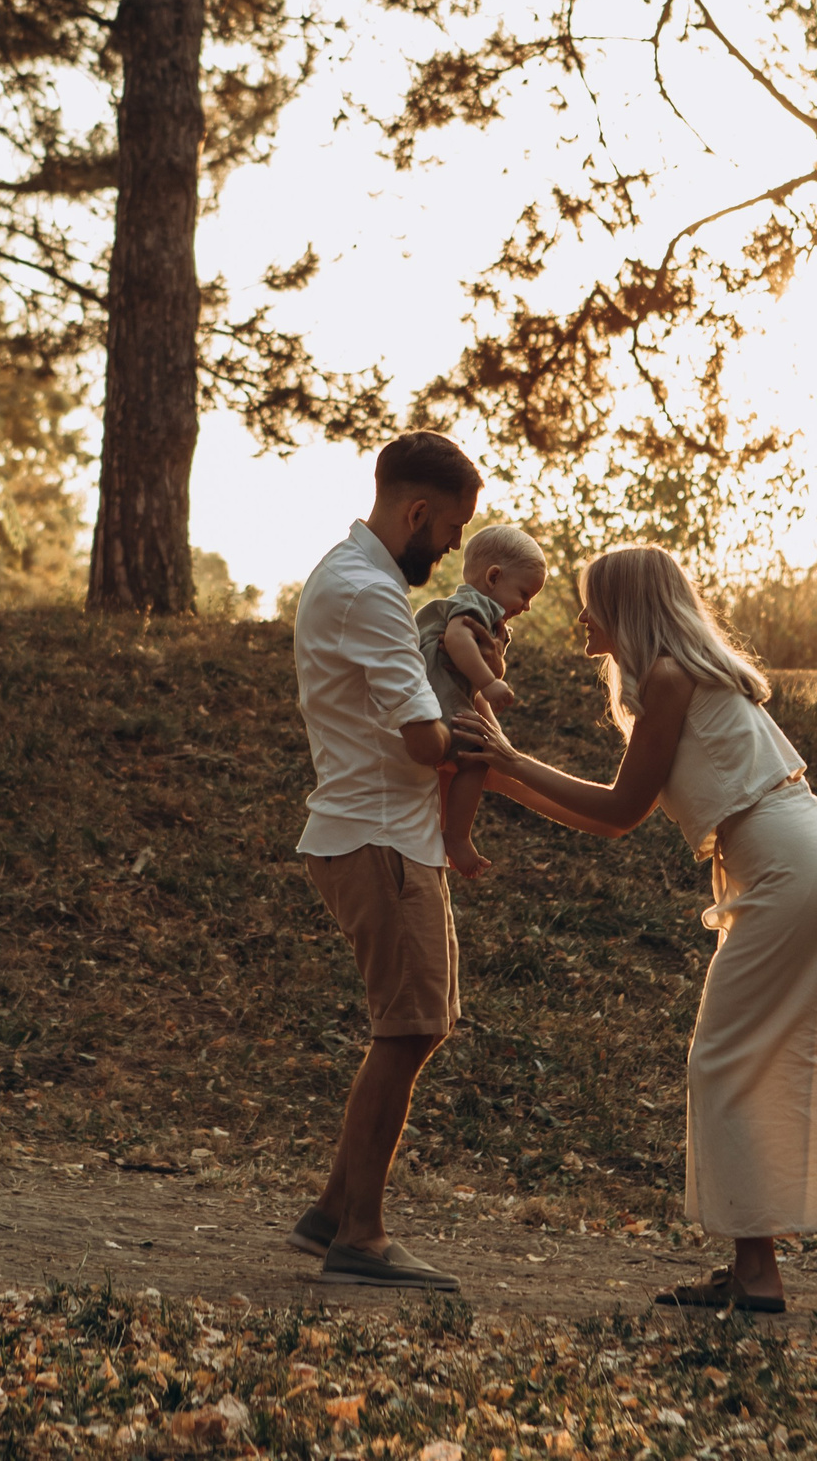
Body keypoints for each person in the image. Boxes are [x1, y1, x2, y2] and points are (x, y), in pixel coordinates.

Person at [458, 544, 817, 1318]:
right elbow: (620, 819)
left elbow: (620, 807)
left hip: (786, 867)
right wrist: (505, 775)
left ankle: (756, 1273)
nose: (580, 616)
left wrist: (512, 762)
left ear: (628, 608)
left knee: (723, 1059)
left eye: (591, 601)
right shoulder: (688, 675)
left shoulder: (667, 678)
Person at [284, 431, 483, 1291]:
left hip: (381, 831)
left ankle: (333, 1207)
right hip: (381, 837)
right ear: (416, 511)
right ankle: (360, 1236)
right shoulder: (368, 594)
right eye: (450, 528)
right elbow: (419, 735)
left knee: (416, 1024)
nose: (452, 549)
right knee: (406, 1028)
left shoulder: (343, 575)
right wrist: (465, 738)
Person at [414, 524, 547, 879]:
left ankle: (446, 830)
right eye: (524, 593)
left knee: (468, 761)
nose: (528, 606)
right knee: (476, 760)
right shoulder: (475, 604)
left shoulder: (488, 615)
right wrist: (489, 683)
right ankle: (455, 836)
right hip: (439, 701)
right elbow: (457, 639)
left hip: (438, 703)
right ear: (493, 577)